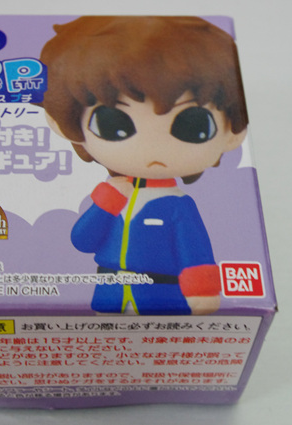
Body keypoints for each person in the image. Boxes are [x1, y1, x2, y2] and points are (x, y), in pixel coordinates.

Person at [39, 16, 249, 315]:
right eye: (113, 123)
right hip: (109, 293)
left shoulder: (178, 206)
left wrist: (202, 290)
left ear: (233, 134)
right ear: (65, 122)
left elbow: (195, 252)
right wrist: (105, 204)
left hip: (161, 297)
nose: (152, 149)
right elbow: (83, 241)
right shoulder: (112, 194)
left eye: (193, 126)